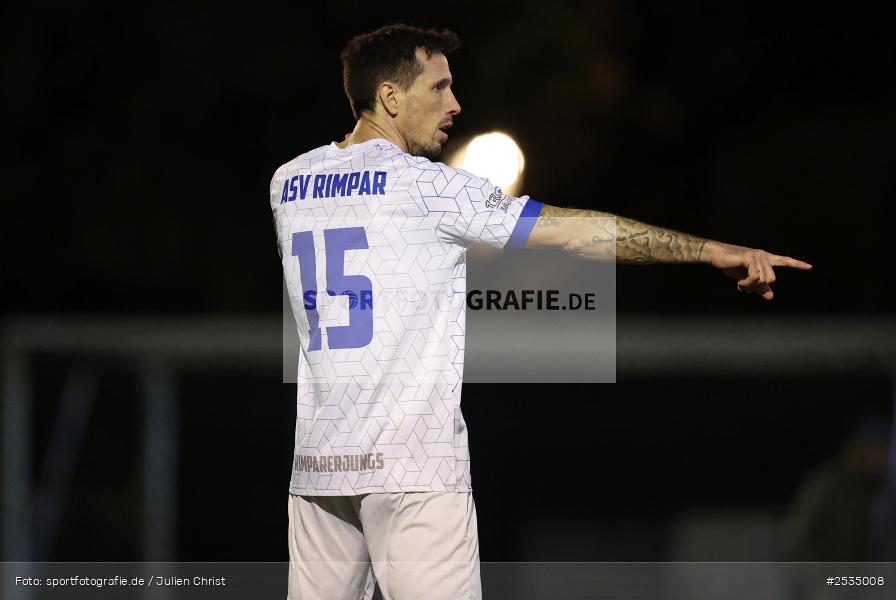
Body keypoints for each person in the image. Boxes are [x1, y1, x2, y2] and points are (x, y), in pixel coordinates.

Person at [270, 23, 812, 600]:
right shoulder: (429, 188)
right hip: (414, 467)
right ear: (390, 97)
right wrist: (709, 251)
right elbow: (579, 235)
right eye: (440, 88)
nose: (455, 103)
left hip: (320, 468)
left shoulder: (288, 182)